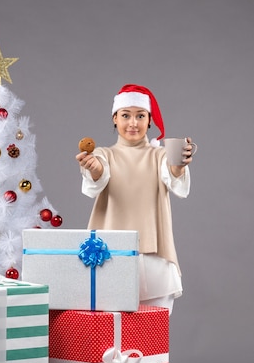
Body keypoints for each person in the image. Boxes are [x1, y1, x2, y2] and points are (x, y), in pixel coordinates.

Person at [76, 84, 195, 314]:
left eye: (140, 116)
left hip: (154, 258)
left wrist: (179, 165)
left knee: (152, 336)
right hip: (110, 256)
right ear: (114, 118)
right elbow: (98, 176)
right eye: (126, 115)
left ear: (149, 120)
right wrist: (94, 168)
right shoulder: (103, 154)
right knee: (110, 332)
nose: (133, 123)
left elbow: (172, 176)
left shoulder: (160, 154)